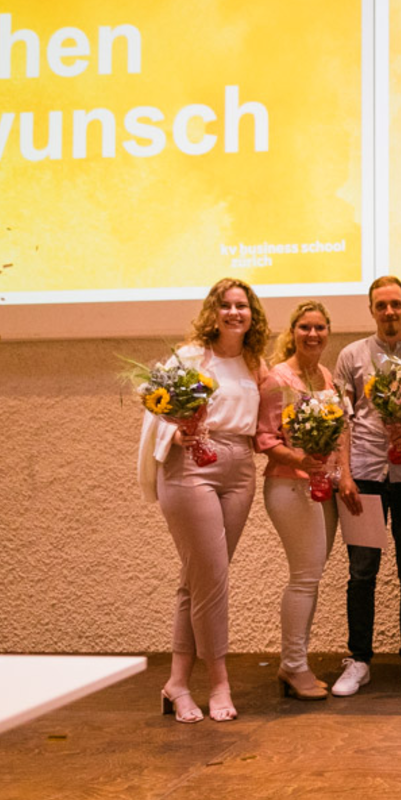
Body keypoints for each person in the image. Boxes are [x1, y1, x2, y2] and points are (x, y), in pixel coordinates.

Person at [138, 278, 269, 723]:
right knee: (211, 580)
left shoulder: (255, 362)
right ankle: (218, 684)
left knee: (197, 581)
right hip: (192, 464)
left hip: (240, 468)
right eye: (226, 305)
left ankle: (176, 683)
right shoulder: (191, 357)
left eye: (242, 305)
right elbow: (155, 410)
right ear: (213, 312)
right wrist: (177, 434)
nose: (234, 313)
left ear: (252, 314)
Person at [330, 276, 401, 696]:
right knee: (362, 572)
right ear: (372, 310)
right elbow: (342, 420)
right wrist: (344, 474)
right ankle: (359, 660)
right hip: (364, 476)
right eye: (381, 305)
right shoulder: (351, 355)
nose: (389, 312)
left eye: (396, 304)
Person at [255, 301, 349, 701]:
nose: (313, 334)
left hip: (321, 488)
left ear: (328, 332)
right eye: (305, 328)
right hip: (289, 487)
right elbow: (263, 439)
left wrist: (341, 474)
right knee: (304, 577)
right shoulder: (277, 378)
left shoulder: (325, 376)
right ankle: (293, 666)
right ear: (292, 332)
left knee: (311, 576)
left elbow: (340, 431)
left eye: (320, 328)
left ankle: (295, 662)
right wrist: (301, 461)